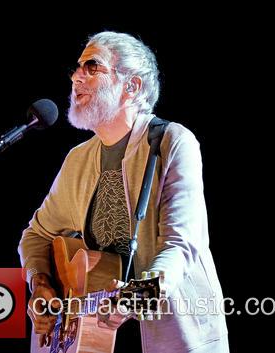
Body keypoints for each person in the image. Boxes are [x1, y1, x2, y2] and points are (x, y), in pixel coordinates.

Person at [18, 31, 229, 353]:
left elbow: (183, 243)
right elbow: (36, 235)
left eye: (92, 67)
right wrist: (41, 284)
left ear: (132, 86)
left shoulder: (171, 141)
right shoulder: (78, 159)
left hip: (172, 334)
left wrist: (137, 297)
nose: (76, 77)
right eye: (77, 68)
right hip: (94, 336)